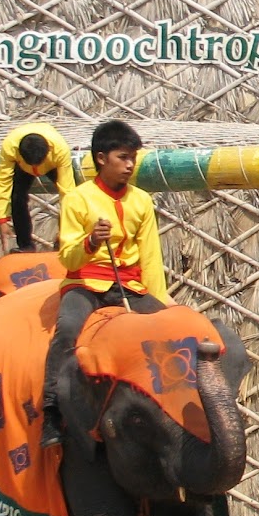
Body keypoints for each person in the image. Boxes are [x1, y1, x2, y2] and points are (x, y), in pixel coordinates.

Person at [40, 119, 168, 449]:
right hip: (86, 283)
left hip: (128, 288)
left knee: (170, 330)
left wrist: (161, 302)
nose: (129, 165)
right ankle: (52, 411)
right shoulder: (77, 200)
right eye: (123, 158)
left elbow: (150, 257)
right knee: (68, 329)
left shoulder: (141, 201)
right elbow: (67, 257)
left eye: (133, 159)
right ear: (101, 158)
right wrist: (90, 243)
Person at [0, 122, 78, 254]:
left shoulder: (60, 150)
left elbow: (67, 192)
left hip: (51, 165)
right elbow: (3, 181)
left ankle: (64, 242)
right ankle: (25, 245)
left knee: (72, 198)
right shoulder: (10, 146)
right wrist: (2, 219)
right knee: (17, 197)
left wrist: (64, 231)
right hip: (23, 167)